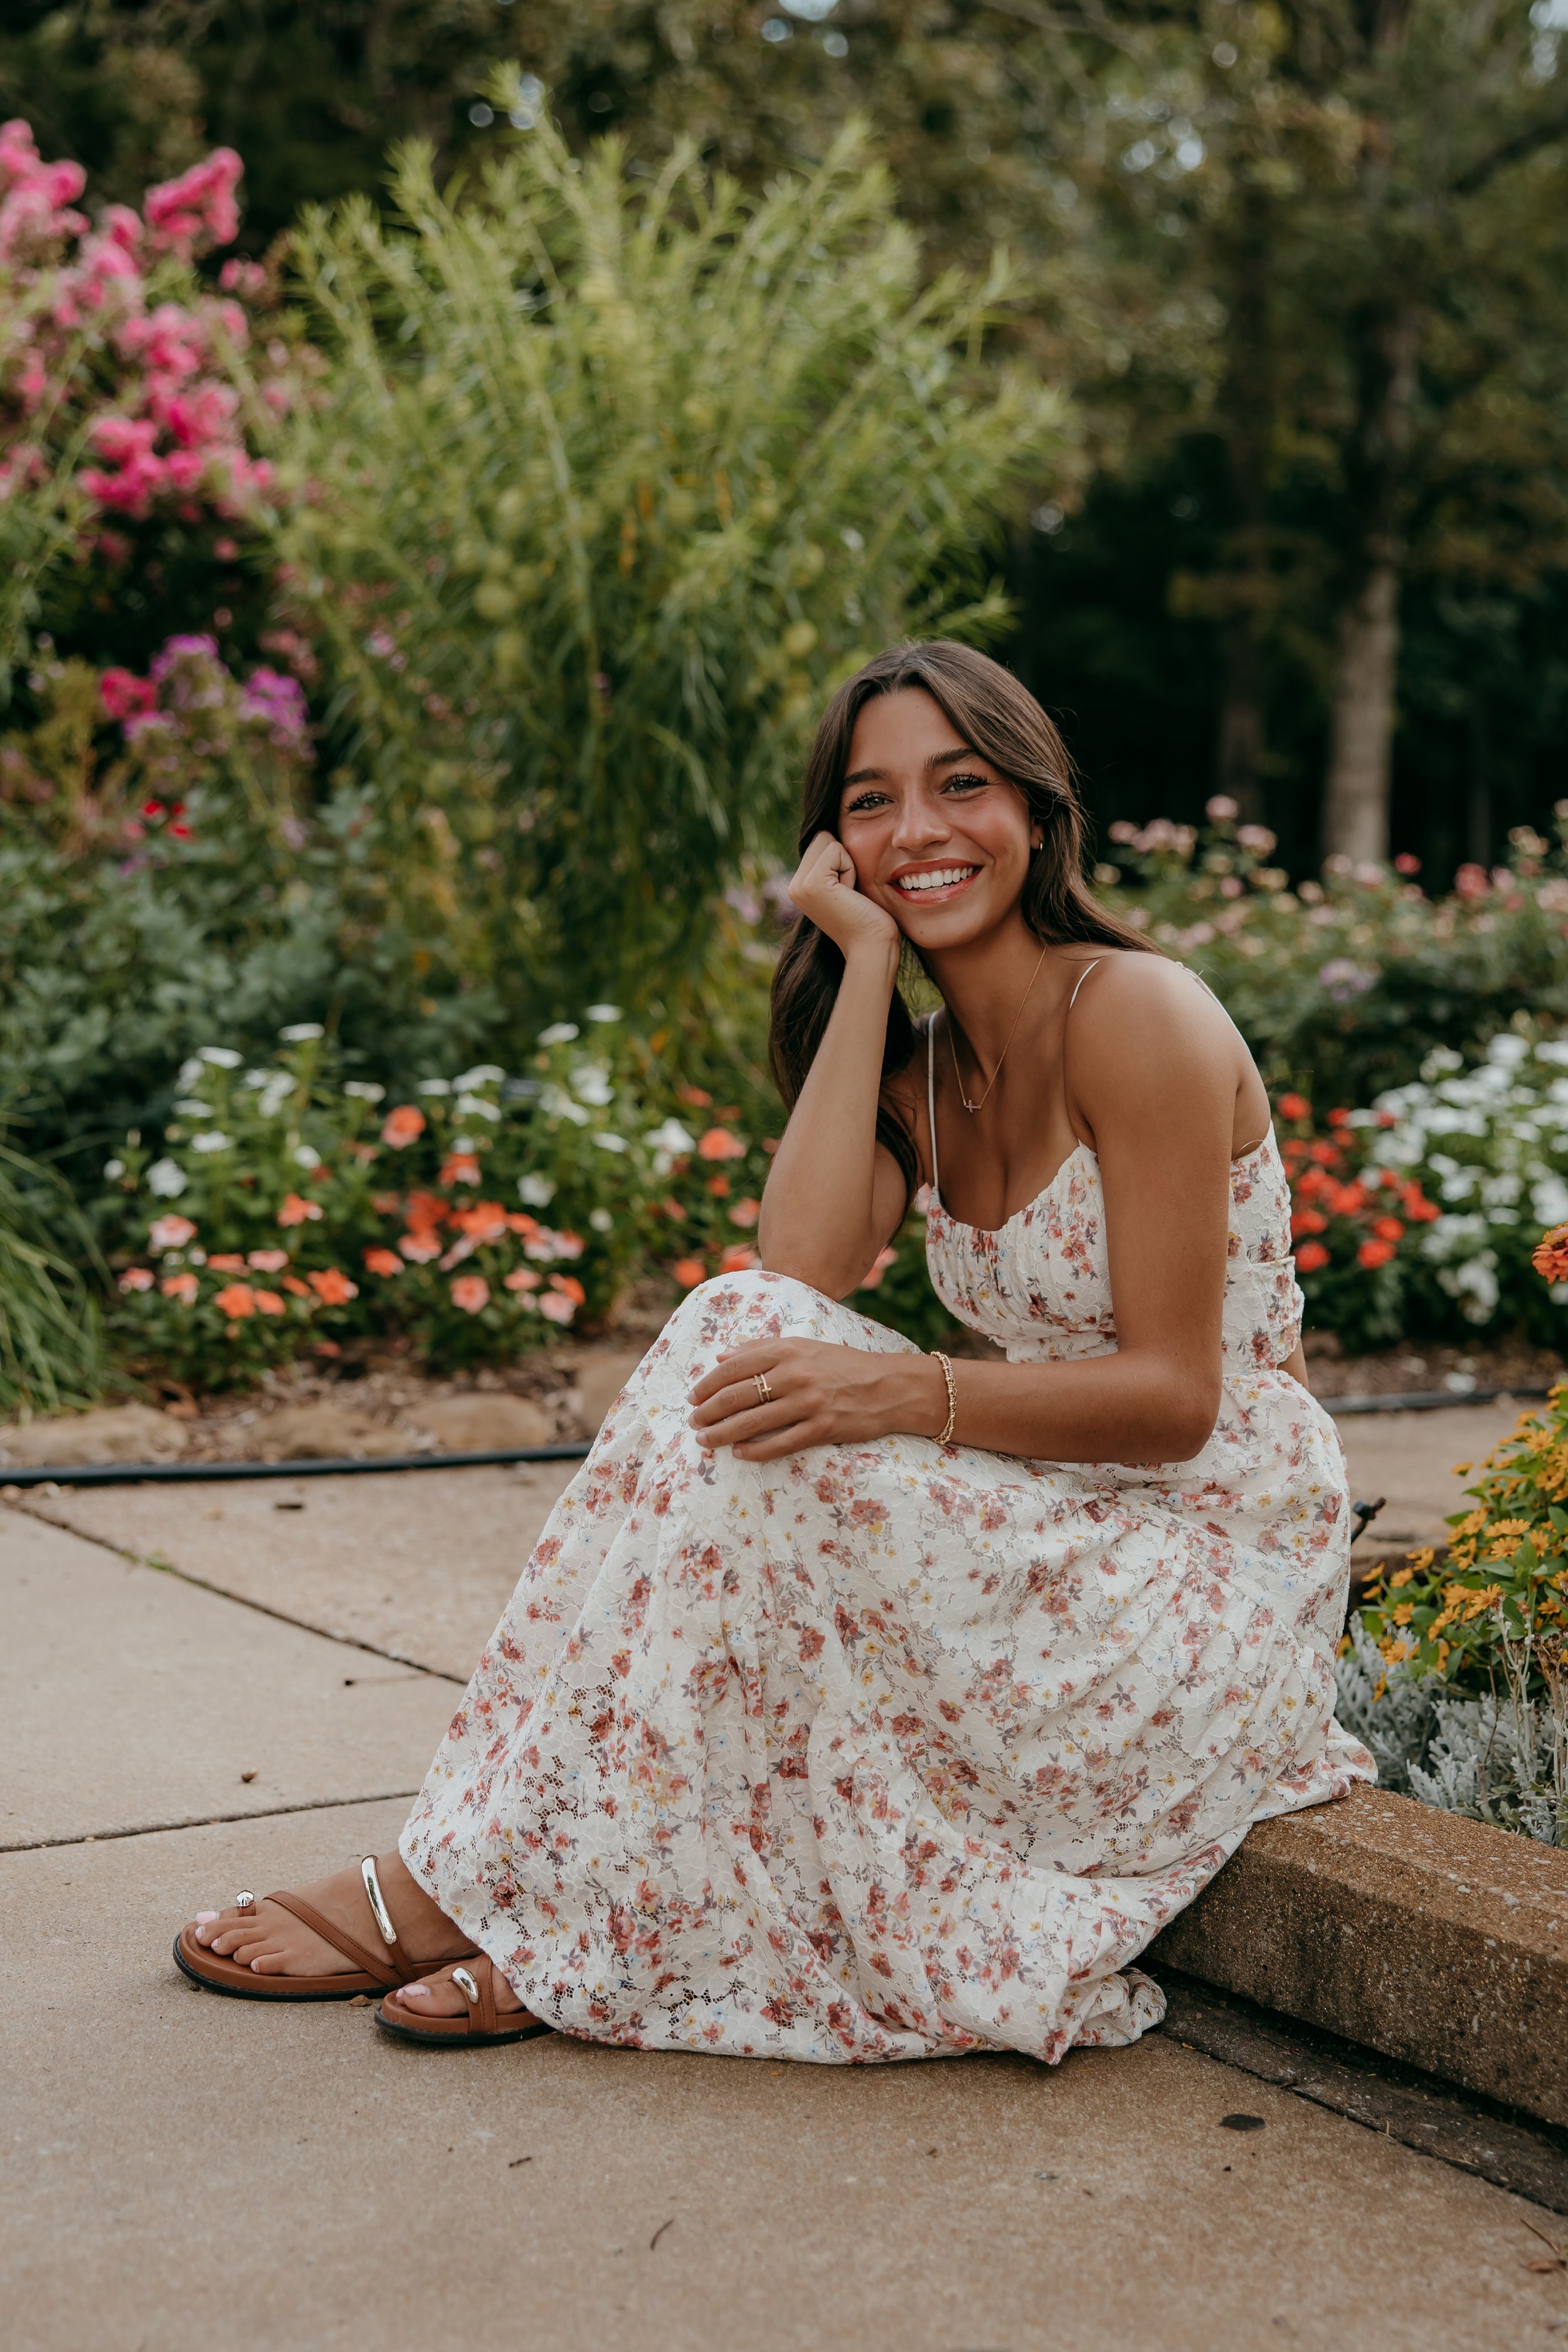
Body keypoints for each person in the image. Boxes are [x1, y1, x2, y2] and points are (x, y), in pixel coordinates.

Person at [176, 640, 1372, 2058]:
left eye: (960, 786)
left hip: (1198, 1574)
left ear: (1038, 814)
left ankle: (489, 1891)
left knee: (773, 1383)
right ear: (834, 842)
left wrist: (906, 1389)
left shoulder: (1136, 1013)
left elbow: (1176, 1403)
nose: (917, 832)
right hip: (1056, 1525)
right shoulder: (926, 1073)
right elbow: (796, 1267)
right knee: (742, 1336)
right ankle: (548, 1886)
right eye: (871, 803)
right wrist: (864, 963)